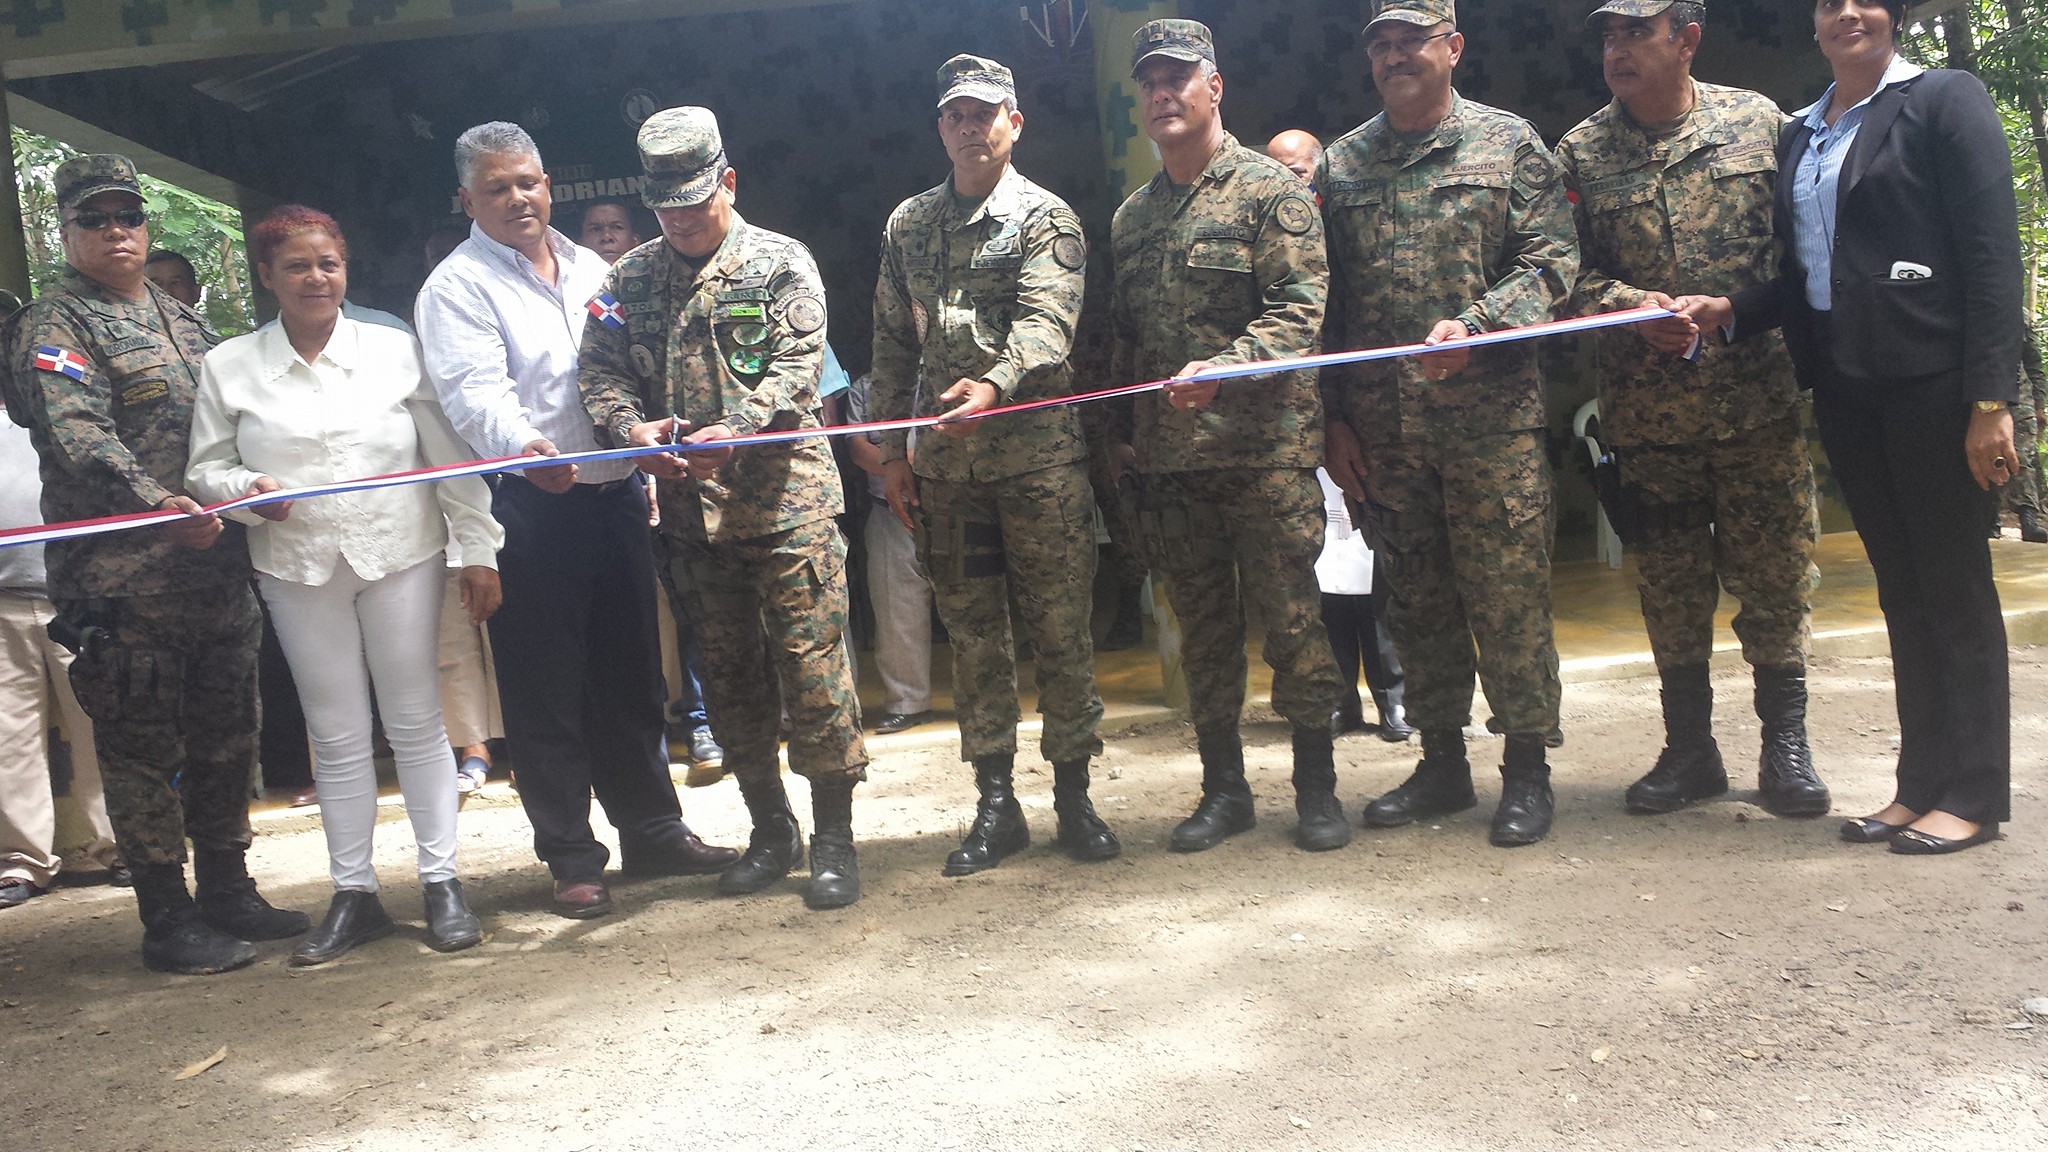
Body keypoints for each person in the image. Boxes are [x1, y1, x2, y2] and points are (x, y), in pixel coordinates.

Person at [1683, 0, 2026, 854]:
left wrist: (1992, 399)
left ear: (1894, 14)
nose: (1848, 13)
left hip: (1933, 386)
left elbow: (1991, 256)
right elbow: (1812, 276)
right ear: (1814, 21)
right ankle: (1919, 787)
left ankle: (1976, 795)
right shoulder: (1802, 132)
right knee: (1902, 592)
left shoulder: (1943, 101)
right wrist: (1733, 310)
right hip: (1846, 387)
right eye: (1830, 2)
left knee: (1953, 588)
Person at [416, 122, 738, 919]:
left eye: (527, 181)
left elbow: (633, 367)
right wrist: (524, 447)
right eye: (496, 187)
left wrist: (655, 437)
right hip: (531, 506)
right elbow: (473, 394)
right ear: (466, 198)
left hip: (617, 495)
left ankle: (654, 830)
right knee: (545, 692)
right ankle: (570, 855)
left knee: (631, 678)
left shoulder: (597, 267)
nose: (517, 198)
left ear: (549, 183)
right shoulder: (455, 288)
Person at [1, 155, 307, 972]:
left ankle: (228, 888)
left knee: (227, 733)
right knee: (141, 748)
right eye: (94, 220)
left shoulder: (185, 322)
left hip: (213, 571)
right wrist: (156, 501)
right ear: (65, 232)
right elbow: (75, 435)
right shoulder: (56, 322)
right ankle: (167, 914)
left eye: (127, 218)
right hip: (123, 579)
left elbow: (245, 417)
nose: (115, 232)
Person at [186, 205, 498, 963]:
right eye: (296, 266)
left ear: (345, 268)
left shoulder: (393, 349)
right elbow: (203, 469)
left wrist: (480, 546)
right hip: (295, 563)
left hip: (401, 551)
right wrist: (247, 482)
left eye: (329, 263)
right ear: (266, 277)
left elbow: (445, 459)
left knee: (418, 717)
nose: (316, 278)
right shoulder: (229, 365)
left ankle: (441, 882)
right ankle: (354, 894)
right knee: (335, 731)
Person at [579, 107, 870, 909]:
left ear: (728, 184)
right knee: (734, 685)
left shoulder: (781, 265)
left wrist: (733, 430)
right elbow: (598, 375)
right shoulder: (627, 281)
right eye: (666, 207)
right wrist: (631, 427)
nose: (679, 220)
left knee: (814, 678)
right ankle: (771, 834)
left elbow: (795, 370)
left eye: (695, 202)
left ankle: (834, 841)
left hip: (786, 511)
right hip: (692, 523)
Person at [1556, 0, 1829, 819]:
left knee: (1776, 578)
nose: (1617, 49)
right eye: (1608, 35)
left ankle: (1786, 746)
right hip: (1649, 420)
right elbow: (1564, 274)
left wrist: (1738, 308)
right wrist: (1632, 306)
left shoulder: (1760, 124)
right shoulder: (1578, 150)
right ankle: (1689, 750)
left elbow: (1801, 254)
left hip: (1757, 407)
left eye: (1636, 32)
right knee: (1671, 589)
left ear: (1688, 40)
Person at [1319, 0, 1579, 847]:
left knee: (1508, 599)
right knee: (1418, 601)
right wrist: (1332, 421)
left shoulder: (1509, 145)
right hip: (1386, 431)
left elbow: (1553, 264)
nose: (1395, 57)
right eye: (1381, 46)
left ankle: (1528, 769)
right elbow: (1319, 303)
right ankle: (1440, 763)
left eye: (1413, 41)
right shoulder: (1342, 165)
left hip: (1490, 427)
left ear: (1454, 48)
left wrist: (1480, 327)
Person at [871, 53, 1116, 875]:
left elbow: (1050, 326)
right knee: (975, 639)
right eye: (955, 116)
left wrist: (996, 385)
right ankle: (996, 805)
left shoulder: (1048, 220)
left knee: (1060, 631)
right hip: (946, 477)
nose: (970, 127)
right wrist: (891, 455)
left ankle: (1075, 799)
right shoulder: (908, 225)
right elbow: (892, 344)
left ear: (1015, 122)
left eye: (985, 113)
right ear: (940, 128)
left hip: (1037, 467)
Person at [1109, 20, 1349, 854]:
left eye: (1179, 77)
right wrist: (1122, 439)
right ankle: (1225, 791)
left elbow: (1300, 312)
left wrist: (1226, 366)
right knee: (1204, 632)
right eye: (1149, 82)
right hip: (1175, 468)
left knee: (1291, 623)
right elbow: (1128, 342)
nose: (1162, 93)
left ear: (1216, 87)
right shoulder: (1133, 218)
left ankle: (1316, 789)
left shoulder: (1268, 193)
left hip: (1265, 457)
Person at [1265, 129, 1409, 744]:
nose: (1291, 186)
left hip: (1361, 419)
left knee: (1378, 570)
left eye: (1300, 173)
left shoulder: (1351, 237)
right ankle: (1338, 699)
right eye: (1278, 175)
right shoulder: (1266, 238)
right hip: (1296, 426)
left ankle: (1395, 696)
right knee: (1319, 577)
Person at [0, 370, 124, 908]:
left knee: (98, 722)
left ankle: (121, 846)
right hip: (2, 603)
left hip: (74, 595)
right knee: (9, 737)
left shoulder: (63, 409)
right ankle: (22, 861)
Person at [843, 370, 937, 733]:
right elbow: (859, 450)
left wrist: (899, 461)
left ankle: (988, 700)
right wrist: (913, 460)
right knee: (897, 610)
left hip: (954, 505)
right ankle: (908, 702)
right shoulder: (865, 388)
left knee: (974, 608)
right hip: (888, 510)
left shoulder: (946, 377)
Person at [1313, 468, 1411, 741]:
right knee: (1332, 613)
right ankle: (1342, 703)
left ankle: (1392, 702)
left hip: (1372, 501)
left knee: (1378, 617)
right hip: (1325, 505)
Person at [578, 199, 646, 265]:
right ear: (581, 244)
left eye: (617, 227)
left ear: (635, 241)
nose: (606, 237)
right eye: (596, 229)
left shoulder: (654, 275)